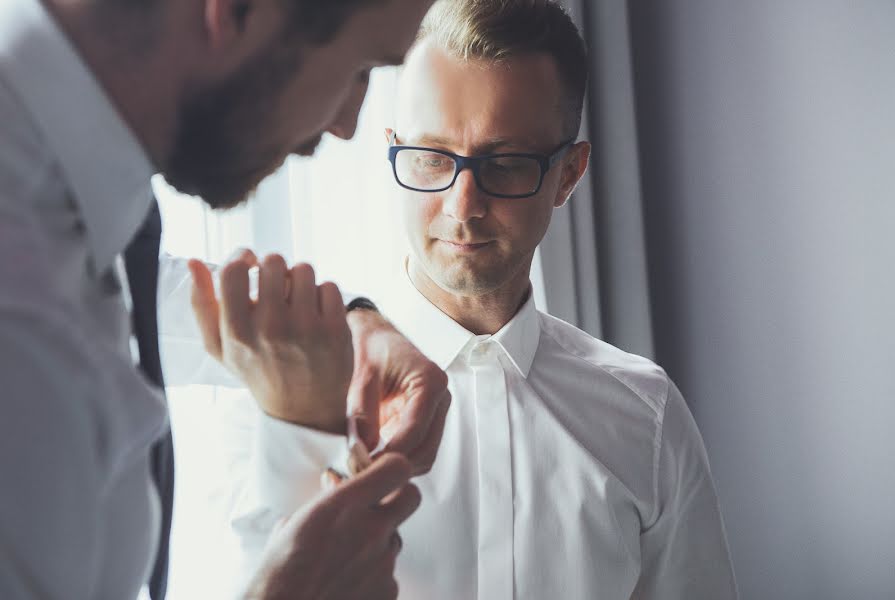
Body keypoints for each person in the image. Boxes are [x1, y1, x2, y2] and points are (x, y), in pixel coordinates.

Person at [187, 1, 740, 598]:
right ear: (393, 147)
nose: (462, 206)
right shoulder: (273, 404)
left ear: (568, 174)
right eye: (431, 157)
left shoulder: (646, 418)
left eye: (504, 164)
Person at [0, 0, 450, 598]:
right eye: (361, 68)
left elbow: (152, 298)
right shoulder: (21, 324)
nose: (347, 123)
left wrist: (350, 324)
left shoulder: (62, 201)